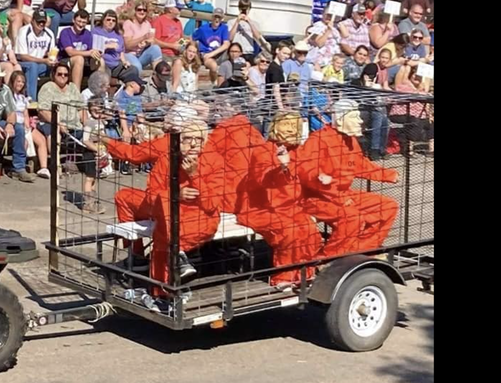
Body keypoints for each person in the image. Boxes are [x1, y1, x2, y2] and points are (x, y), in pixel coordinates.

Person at [104, 108, 225, 289]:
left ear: (205, 142)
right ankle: (153, 267)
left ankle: (159, 281)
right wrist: (175, 194)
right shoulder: (167, 157)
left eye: (198, 140)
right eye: (187, 139)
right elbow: (152, 193)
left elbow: (211, 205)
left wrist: (194, 175)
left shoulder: (213, 160)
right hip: (168, 215)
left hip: (198, 220)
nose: (192, 144)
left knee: (163, 227)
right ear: (179, 138)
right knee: (152, 206)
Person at [297, 99, 399, 259]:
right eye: (355, 117)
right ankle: (328, 260)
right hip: (317, 198)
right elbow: (306, 170)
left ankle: (362, 250)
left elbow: (360, 165)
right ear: (341, 119)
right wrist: (326, 184)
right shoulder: (318, 139)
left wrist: (388, 175)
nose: (360, 121)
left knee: (388, 207)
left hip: (342, 194)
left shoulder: (350, 139)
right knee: (352, 218)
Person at [234, 112, 321, 289]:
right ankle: (283, 277)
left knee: (310, 233)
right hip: (261, 209)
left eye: (294, 126)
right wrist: (281, 167)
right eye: (286, 125)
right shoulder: (262, 151)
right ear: (275, 126)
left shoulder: (296, 151)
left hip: (290, 207)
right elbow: (261, 179)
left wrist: (320, 177)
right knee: (289, 233)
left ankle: (304, 274)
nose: (290, 130)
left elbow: (307, 172)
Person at [35, 63, 85, 174]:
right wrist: (58, 123)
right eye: (60, 74)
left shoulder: (73, 88)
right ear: (53, 75)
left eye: (66, 74)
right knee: (54, 133)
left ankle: (73, 162)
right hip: (52, 122)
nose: (63, 76)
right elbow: (43, 110)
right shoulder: (47, 87)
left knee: (91, 132)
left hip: (74, 125)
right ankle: (56, 164)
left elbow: (81, 108)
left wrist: (86, 123)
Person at [10, 70, 49, 178]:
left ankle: (43, 168)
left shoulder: (22, 97)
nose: (20, 84)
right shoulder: (8, 96)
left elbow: (25, 113)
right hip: (15, 124)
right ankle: (20, 168)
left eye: (22, 82)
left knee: (41, 139)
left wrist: (28, 124)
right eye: (18, 81)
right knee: (25, 142)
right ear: (12, 81)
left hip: (24, 123)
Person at [15, 9, 56, 100]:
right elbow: (23, 56)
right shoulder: (24, 31)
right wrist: (44, 61)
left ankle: (55, 99)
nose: (41, 24)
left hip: (41, 64)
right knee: (33, 66)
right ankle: (31, 100)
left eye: (43, 22)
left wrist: (52, 59)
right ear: (32, 21)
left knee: (59, 68)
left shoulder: (49, 34)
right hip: (23, 64)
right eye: (39, 21)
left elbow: (51, 52)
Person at [391, 70, 433, 157]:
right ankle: (409, 149)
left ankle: (431, 150)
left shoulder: (423, 89)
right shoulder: (404, 86)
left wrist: (430, 115)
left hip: (419, 114)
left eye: (419, 76)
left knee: (431, 123)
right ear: (411, 75)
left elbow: (427, 102)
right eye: (415, 75)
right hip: (401, 113)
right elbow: (407, 97)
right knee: (415, 121)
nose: (417, 77)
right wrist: (418, 90)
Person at [58, 9, 100, 82]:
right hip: (65, 61)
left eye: (84, 22)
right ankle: (76, 91)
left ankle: (98, 89)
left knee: (100, 60)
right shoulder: (65, 32)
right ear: (73, 20)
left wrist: (96, 54)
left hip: (84, 61)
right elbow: (70, 52)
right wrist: (89, 53)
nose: (81, 25)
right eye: (79, 21)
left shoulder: (88, 34)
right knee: (79, 59)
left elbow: (91, 51)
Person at [121, 2, 164, 72]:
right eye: (139, 9)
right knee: (137, 67)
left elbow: (150, 41)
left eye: (144, 10)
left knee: (156, 48)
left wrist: (147, 43)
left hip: (141, 54)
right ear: (135, 11)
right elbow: (127, 45)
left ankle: (157, 74)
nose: (142, 12)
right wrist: (143, 37)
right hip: (129, 54)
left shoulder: (147, 24)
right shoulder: (128, 23)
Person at [92, 10, 129, 80]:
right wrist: (107, 46)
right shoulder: (96, 31)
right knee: (105, 75)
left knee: (133, 70)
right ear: (103, 20)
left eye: (113, 20)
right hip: (104, 63)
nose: (111, 22)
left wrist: (124, 61)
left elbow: (121, 52)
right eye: (108, 19)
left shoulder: (118, 35)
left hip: (116, 64)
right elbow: (93, 49)